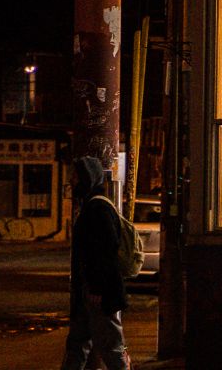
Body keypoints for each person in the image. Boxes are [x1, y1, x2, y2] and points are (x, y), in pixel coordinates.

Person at [60, 157, 130, 370]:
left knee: (110, 346)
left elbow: (105, 251)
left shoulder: (97, 208)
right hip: (88, 290)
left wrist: (97, 287)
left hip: (98, 292)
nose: (72, 181)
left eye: (76, 176)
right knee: (77, 344)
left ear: (87, 178)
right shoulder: (92, 206)